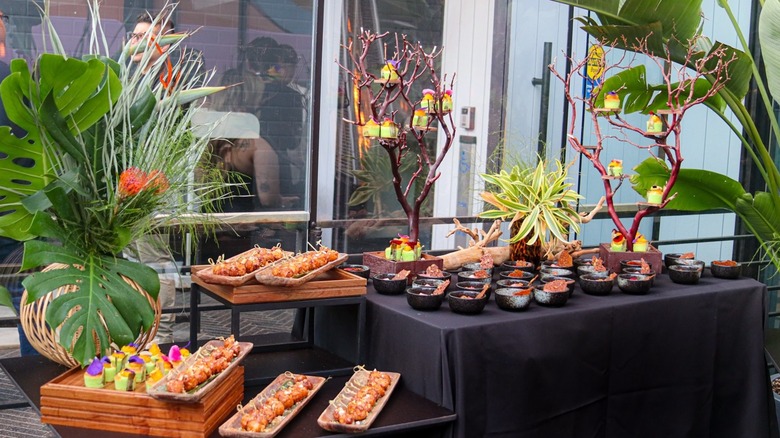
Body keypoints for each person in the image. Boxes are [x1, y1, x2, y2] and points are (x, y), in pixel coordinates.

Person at [122, 10, 183, 345]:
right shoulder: (125, 79)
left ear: (165, 45)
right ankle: (137, 336)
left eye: (147, 38)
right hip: (125, 187)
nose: (137, 44)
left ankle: (163, 339)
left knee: (156, 262)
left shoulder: (170, 83)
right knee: (131, 259)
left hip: (155, 189)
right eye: (134, 36)